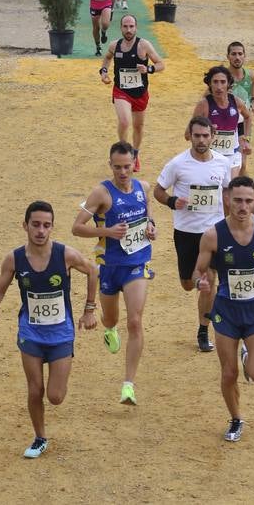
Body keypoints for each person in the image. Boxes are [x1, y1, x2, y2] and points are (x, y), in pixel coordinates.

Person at [0, 200, 98, 459]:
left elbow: (93, 271)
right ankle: (39, 438)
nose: (40, 230)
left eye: (46, 225)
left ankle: (58, 381)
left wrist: (89, 309)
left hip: (61, 334)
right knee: (35, 389)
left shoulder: (65, 255)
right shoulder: (14, 259)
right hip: (31, 333)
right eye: (35, 224)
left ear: (52, 227)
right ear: (25, 225)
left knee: (56, 396)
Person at [192, 176, 254, 441]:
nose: (243, 207)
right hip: (226, 313)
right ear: (227, 199)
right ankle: (236, 419)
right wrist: (200, 282)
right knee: (229, 373)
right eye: (237, 200)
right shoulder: (213, 235)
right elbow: (198, 271)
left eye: (248, 201)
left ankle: (248, 357)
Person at [72, 142, 156, 405]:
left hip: (136, 264)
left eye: (127, 166)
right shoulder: (101, 193)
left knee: (135, 321)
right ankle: (109, 329)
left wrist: (151, 226)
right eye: (117, 167)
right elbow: (77, 227)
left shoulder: (143, 188)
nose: (123, 172)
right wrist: (107, 232)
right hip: (109, 267)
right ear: (110, 165)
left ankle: (128, 385)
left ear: (134, 164)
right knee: (111, 318)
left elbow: (149, 210)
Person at [154, 116, 231, 352]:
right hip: (186, 232)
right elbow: (158, 191)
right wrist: (172, 201)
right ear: (190, 136)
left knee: (209, 280)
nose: (201, 140)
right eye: (197, 135)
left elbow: (227, 191)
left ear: (213, 136)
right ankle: (195, 286)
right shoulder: (177, 164)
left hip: (212, 232)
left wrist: (228, 222)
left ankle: (203, 330)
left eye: (205, 136)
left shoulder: (222, 163)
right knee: (189, 284)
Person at [99, 14, 164, 172]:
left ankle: (135, 154)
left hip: (140, 93)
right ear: (121, 28)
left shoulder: (144, 45)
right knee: (124, 121)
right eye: (125, 26)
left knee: (138, 126)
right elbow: (107, 58)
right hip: (121, 90)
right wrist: (103, 72)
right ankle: (124, 153)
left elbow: (161, 64)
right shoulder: (115, 45)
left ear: (136, 28)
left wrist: (148, 69)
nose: (128, 30)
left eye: (131, 26)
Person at [188, 65, 252, 178]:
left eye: (223, 82)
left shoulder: (237, 102)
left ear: (229, 84)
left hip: (232, 155)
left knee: (231, 187)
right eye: (215, 82)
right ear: (209, 84)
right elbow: (187, 135)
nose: (219, 87)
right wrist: (206, 130)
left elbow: (248, 117)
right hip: (210, 157)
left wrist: (246, 139)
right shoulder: (203, 105)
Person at [227, 41, 254, 175]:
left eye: (240, 54)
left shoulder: (250, 75)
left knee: (242, 164)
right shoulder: (223, 77)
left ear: (244, 56)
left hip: (244, 122)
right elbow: (206, 96)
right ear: (228, 56)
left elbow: (253, 88)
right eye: (233, 54)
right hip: (227, 123)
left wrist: (253, 101)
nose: (237, 57)